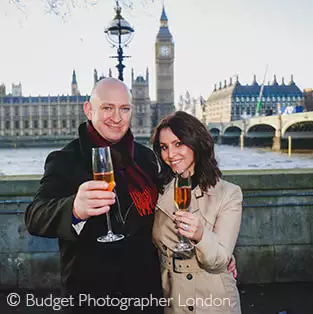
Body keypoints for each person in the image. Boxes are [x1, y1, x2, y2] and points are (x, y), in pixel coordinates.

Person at [24, 78, 163, 314]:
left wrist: (214, 247)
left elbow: (171, 210)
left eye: (124, 109)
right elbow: (34, 216)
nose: (117, 118)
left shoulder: (146, 159)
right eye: (107, 108)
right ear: (89, 110)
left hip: (144, 298)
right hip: (90, 300)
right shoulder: (65, 159)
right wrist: (74, 210)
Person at [152, 111, 243, 313]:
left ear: (196, 143)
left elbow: (219, 260)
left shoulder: (229, 194)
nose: (170, 155)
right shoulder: (157, 191)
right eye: (164, 147)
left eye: (178, 144)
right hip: (172, 298)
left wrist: (202, 237)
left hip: (213, 300)